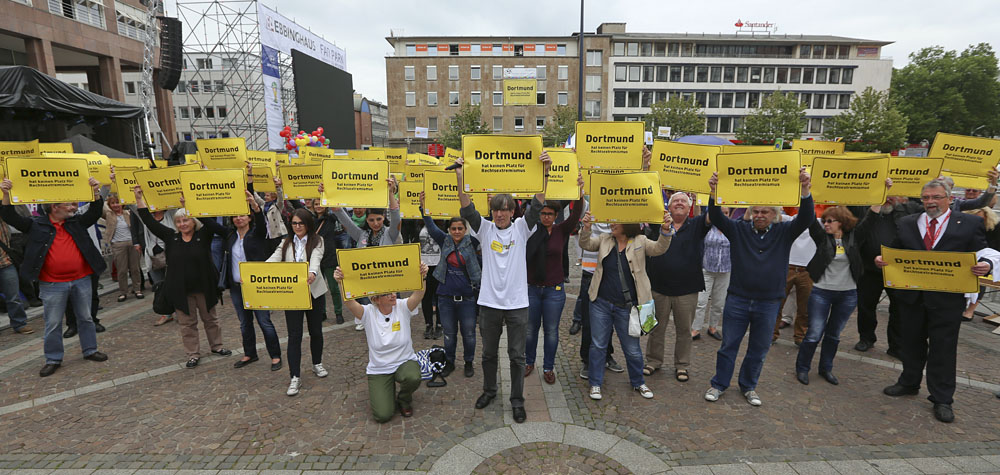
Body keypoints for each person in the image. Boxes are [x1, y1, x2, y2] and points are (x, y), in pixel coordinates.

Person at [876, 178, 993, 423]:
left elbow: (983, 252)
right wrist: (882, 259)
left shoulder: (969, 223)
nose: (930, 202)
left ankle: (942, 399)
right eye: (926, 198)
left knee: (943, 349)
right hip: (912, 297)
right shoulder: (908, 222)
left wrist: (987, 265)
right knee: (910, 343)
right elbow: (896, 251)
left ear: (949, 198)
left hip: (947, 299)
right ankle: (909, 382)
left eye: (936, 197)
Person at [703, 167, 813, 407]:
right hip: (738, 300)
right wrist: (714, 192)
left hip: (769, 302)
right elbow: (718, 217)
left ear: (774, 214)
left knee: (759, 349)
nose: (760, 215)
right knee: (728, 345)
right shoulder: (738, 230)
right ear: (751, 213)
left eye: (765, 211)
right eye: (756, 211)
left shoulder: (785, 232)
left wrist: (805, 190)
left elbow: (806, 218)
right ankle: (719, 384)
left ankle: (748, 385)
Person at [454, 152, 550, 424]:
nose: (500, 213)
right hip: (489, 304)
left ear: (512, 212)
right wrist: (460, 176)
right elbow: (466, 206)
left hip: (518, 304)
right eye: (497, 209)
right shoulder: (483, 229)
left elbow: (538, 202)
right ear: (492, 211)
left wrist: (544, 172)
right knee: (488, 354)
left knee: (517, 357)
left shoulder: (522, 228)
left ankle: (517, 401)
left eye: (505, 209)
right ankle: (489, 391)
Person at [0, 176, 109, 377]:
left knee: (85, 318)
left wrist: (95, 191)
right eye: (69, 204)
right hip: (52, 285)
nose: (74, 208)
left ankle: (90, 350)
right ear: (54, 207)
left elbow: (94, 212)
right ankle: (53, 359)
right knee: (53, 323)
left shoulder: (76, 222)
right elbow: (9, 215)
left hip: (82, 279)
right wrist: (6, 194)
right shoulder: (35, 225)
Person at [578, 208, 673, 401]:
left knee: (632, 349)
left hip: (627, 307)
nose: (611, 224)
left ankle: (638, 382)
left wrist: (665, 230)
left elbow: (659, 248)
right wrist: (586, 227)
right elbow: (586, 243)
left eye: (616, 222)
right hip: (601, 303)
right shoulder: (605, 239)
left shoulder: (640, 241)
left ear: (627, 224)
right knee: (598, 345)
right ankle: (595, 383)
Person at [134, 186, 232, 369]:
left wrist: (191, 205)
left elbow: (213, 225)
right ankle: (193, 354)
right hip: (181, 289)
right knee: (187, 324)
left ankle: (217, 346)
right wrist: (139, 199)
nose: (182, 224)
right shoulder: (171, 237)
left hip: (204, 287)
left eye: (186, 220)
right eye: (179, 221)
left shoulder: (204, 235)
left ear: (194, 221)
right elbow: (149, 222)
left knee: (211, 319)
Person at [334, 262, 429, 422]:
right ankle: (386, 390)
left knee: (413, 377)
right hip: (379, 368)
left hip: (403, 362)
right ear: (376, 299)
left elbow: (418, 294)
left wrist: (423, 276)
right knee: (383, 415)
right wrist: (341, 282)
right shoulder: (368, 313)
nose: (393, 295)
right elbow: (349, 302)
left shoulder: (402, 307)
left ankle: (404, 399)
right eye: (387, 294)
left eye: (393, 292)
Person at [642, 191, 709, 382]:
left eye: (683, 201)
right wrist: (646, 168)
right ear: (668, 207)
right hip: (658, 287)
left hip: (687, 289)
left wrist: (714, 191)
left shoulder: (697, 225)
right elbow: (647, 200)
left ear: (689, 208)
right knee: (656, 328)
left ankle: (682, 365)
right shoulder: (658, 224)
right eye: (675, 201)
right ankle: (653, 361)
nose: (679, 203)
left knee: (684, 330)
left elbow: (714, 214)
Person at [795, 206, 864, 385]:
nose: (825, 224)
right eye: (824, 221)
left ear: (841, 222)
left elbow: (871, 219)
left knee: (834, 335)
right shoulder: (821, 238)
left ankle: (826, 368)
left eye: (829, 221)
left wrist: (882, 192)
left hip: (847, 294)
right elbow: (809, 218)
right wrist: (806, 193)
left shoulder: (854, 238)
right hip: (821, 292)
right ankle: (802, 368)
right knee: (814, 334)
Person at [525, 180, 585, 384]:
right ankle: (529, 362)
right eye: (543, 213)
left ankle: (549, 367)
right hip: (532, 288)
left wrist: (579, 192)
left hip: (554, 290)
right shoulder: (529, 230)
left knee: (551, 330)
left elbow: (577, 213)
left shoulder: (561, 230)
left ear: (556, 215)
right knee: (531, 329)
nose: (546, 217)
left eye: (550, 214)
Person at [267, 208, 328, 396]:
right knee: (294, 336)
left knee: (315, 330)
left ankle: (317, 363)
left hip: (314, 292)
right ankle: (295, 376)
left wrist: (312, 272)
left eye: (301, 223)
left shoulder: (318, 240)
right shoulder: (285, 243)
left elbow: (316, 259)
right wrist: (254, 273)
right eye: (294, 223)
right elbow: (273, 260)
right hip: (293, 294)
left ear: (308, 224)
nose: (297, 226)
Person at [419, 198, 480, 378]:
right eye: (453, 228)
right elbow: (430, 227)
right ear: (449, 230)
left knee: (468, 334)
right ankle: (450, 361)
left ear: (465, 229)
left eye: (460, 228)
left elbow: (484, 226)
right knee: (449, 334)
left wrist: (488, 207)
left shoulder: (473, 242)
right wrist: (424, 208)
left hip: (467, 298)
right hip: (445, 298)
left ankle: (468, 362)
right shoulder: (444, 240)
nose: (456, 231)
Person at [224, 192, 282, 371]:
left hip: (257, 286)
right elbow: (209, 224)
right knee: (244, 322)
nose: (238, 218)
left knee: (264, 321)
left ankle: (275, 356)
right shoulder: (231, 236)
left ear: (249, 218)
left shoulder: (257, 233)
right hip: (236, 287)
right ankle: (250, 353)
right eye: (235, 216)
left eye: (242, 215)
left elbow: (262, 226)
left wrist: (256, 208)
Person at [332, 182, 401, 331]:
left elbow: (396, 216)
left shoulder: (390, 233)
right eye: (371, 220)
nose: (375, 223)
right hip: (367, 283)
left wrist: (390, 193)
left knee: (394, 317)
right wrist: (329, 195)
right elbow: (344, 220)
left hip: (388, 281)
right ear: (366, 220)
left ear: (383, 218)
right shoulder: (361, 234)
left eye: (379, 219)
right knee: (372, 316)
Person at [131, 207, 176, 326]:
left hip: (171, 256)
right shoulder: (148, 218)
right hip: (153, 257)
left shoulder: (171, 214)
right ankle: (166, 313)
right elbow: (135, 208)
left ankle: (181, 311)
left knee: (174, 284)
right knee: (160, 286)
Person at [694, 206, 732, 341]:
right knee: (701, 301)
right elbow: (698, 219)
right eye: (721, 213)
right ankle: (695, 328)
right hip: (707, 270)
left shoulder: (732, 229)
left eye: (726, 213)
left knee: (718, 303)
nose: (724, 215)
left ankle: (713, 327)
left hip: (725, 271)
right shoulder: (707, 228)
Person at [309, 199, 344, 324]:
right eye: (316, 204)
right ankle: (322, 312)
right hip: (316, 259)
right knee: (319, 288)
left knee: (334, 288)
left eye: (320, 204)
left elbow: (339, 211)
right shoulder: (310, 220)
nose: (318, 206)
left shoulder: (331, 218)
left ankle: (338, 312)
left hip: (330, 256)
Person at [103, 195, 143, 302]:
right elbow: (100, 206)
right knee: (121, 270)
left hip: (132, 243)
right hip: (118, 245)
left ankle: (137, 289)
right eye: (113, 203)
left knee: (135, 268)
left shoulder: (128, 213)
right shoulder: (108, 214)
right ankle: (123, 292)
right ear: (110, 205)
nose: (116, 205)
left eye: (118, 202)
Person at [0, 214, 31, 334]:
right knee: (13, 296)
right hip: (5, 262)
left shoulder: (3, 218)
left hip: (5, 262)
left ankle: (19, 323)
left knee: (13, 296)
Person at [417, 219, 443, 339]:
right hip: (423, 266)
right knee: (426, 296)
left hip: (438, 265)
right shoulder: (417, 224)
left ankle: (439, 324)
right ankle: (428, 325)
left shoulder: (442, 224)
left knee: (439, 296)